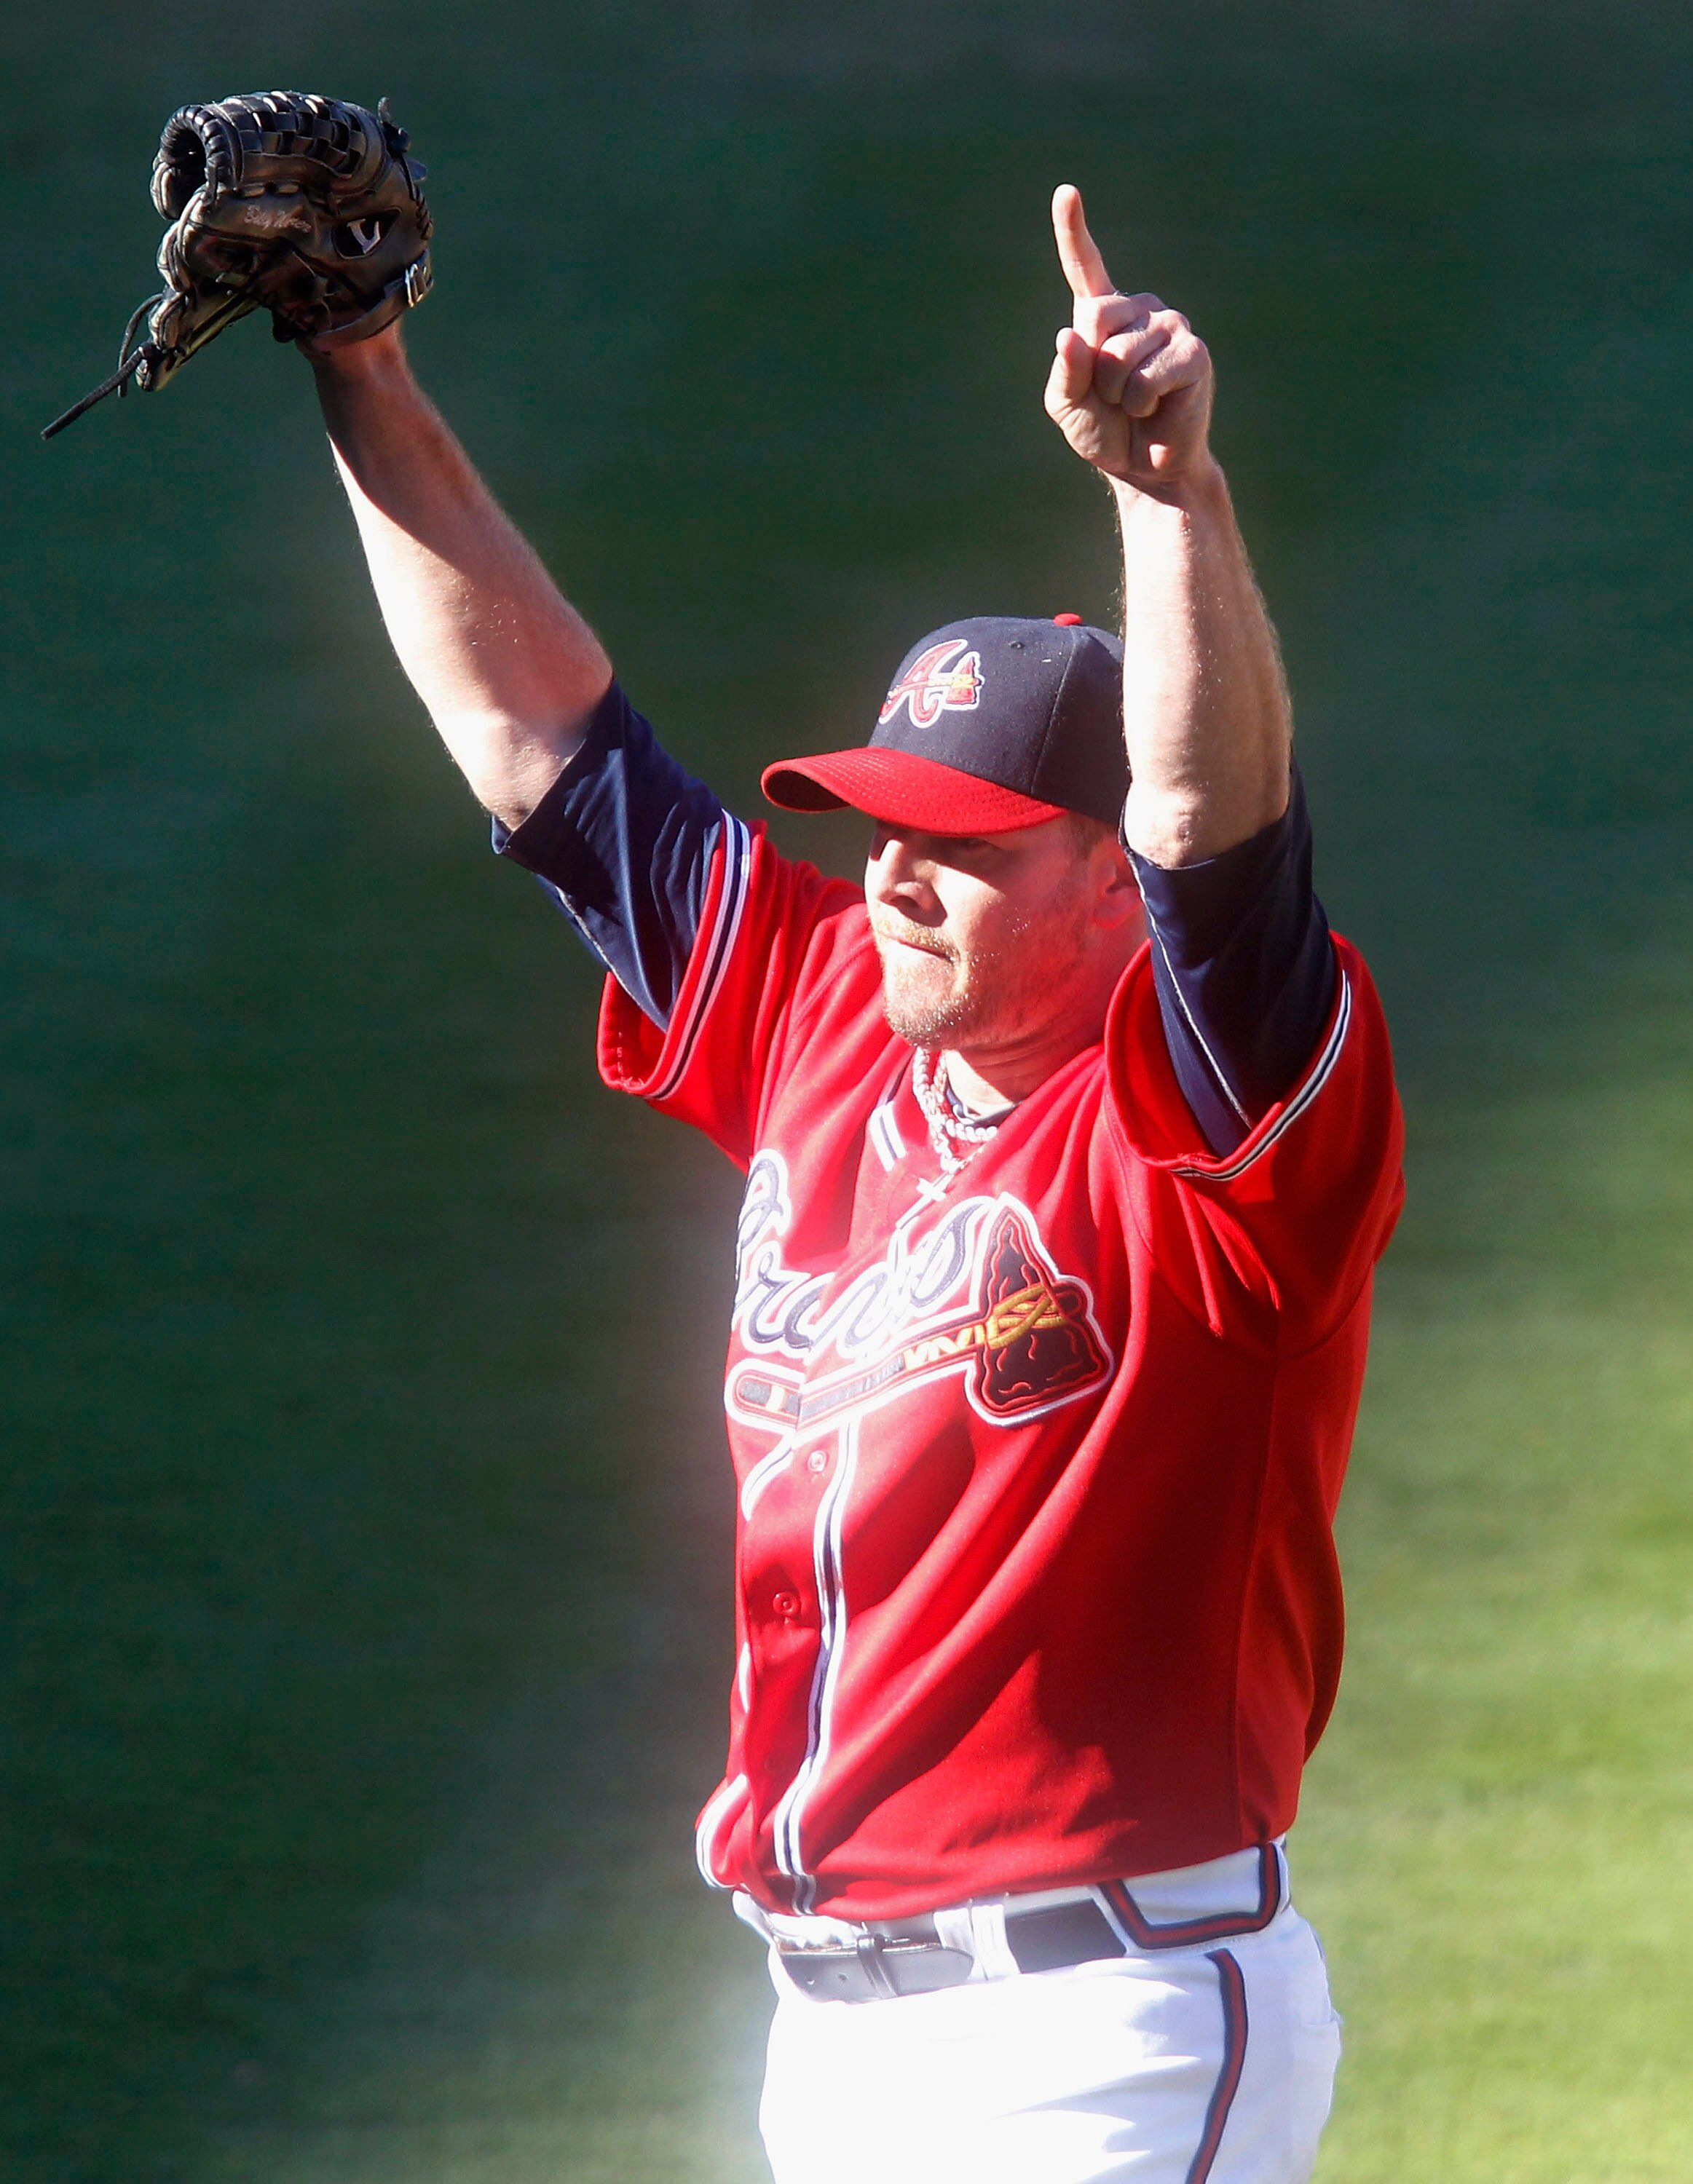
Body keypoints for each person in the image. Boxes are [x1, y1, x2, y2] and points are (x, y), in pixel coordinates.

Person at [304, 182, 1402, 2184]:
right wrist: (357, 365)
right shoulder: (820, 1013)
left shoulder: (1218, 1118)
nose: (890, 870)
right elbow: (537, 735)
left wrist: (1173, 502)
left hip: (1109, 2035)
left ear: (1103, 891)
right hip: (831, 2047)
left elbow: (1216, 831)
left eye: (965, 843)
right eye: (877, 820)